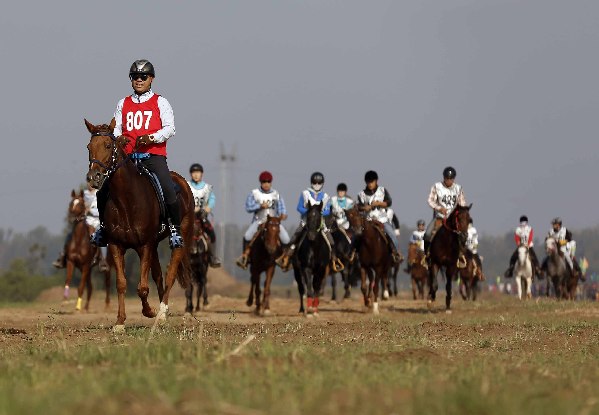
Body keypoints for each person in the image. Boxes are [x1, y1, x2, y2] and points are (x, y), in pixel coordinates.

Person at [90, 59, 184, 249]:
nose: (139, 80)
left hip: (153, 156)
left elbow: (170, 129)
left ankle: (175, 229)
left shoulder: (161, 101)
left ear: (151, 79)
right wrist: (119, 139)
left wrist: (151, 138)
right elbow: (116, 129)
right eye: (135, 77)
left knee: (167, 187)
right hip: (128, 159)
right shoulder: (123, 103)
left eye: (143, 76)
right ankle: (102, 229)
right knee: (103, 191)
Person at [275, 172, 341, 271]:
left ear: (322, 183)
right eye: (315, 183)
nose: (317, 185)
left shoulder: (326, 196)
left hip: (320, 223)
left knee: (331, 240)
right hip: (305, 222)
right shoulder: (305, 194)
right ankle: (286, 257)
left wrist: (319, 212)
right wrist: (309, 212)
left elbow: (327, 210)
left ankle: (334, 260)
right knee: (295, 237)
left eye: (319, 183)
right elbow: (299, 207)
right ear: (311, 183)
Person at [236, 171, 289, 269]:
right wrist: (259, 206)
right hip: (259, 221)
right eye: (264, 182)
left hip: (274, 222)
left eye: (268, 182)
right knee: (247, 236)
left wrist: (283, 215)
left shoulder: (276, 194)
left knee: (286, 238)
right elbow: (248, 207)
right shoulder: (254, 193)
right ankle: (245, 257)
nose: (266, 184)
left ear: (271, 182)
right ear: (260, 183)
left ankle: (285, 259)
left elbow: (282, 209)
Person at [53, 183, 108, 271]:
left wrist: (90, 210)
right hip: (85, 220)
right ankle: (62, 256)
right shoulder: (84, 194)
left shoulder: (99, 193)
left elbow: (101, 209)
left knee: (97, 236)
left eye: (91, 183)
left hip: (96, 221)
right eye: (88, 182)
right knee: (71, 234)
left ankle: (102, 260)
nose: (90, 185)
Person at [424, 166, 468, 268]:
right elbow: (430, 200)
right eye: (447, 179)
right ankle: (427, 256)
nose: (449, 181)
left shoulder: (458, 188)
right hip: (439, 218)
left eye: (451, 179)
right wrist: (439, 208)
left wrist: (462, 212)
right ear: (444, 178)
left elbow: (462, 203)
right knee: (427, 234)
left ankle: (460, 255)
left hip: (454, 220)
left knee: (464, 235)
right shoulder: (436, 186)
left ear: (454, 179)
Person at [356, 170, 401, 263]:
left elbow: (389, 202)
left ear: (376, 181)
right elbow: (358, 207)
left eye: (371, 182)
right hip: (368, 220)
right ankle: (352, 254)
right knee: (356, 236)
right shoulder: (361, 194)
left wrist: (379, 203)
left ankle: (396, 253)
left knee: (392, 234)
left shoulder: (383, 190)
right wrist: (365, 208)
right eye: (368, 182)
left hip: (382, 220)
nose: (370, 184)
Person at [187, 163, 221, 267]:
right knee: (177, 233)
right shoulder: (187, 185)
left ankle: (213, 257)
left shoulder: (207, 188)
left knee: (212, 234)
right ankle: (175, 259)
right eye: (193, 172)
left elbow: (212, 199)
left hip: (202, 217)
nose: (196, 175)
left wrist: (207, 208)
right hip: (189, 217)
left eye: (198, 172)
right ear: (191, 174)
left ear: (202, 174)